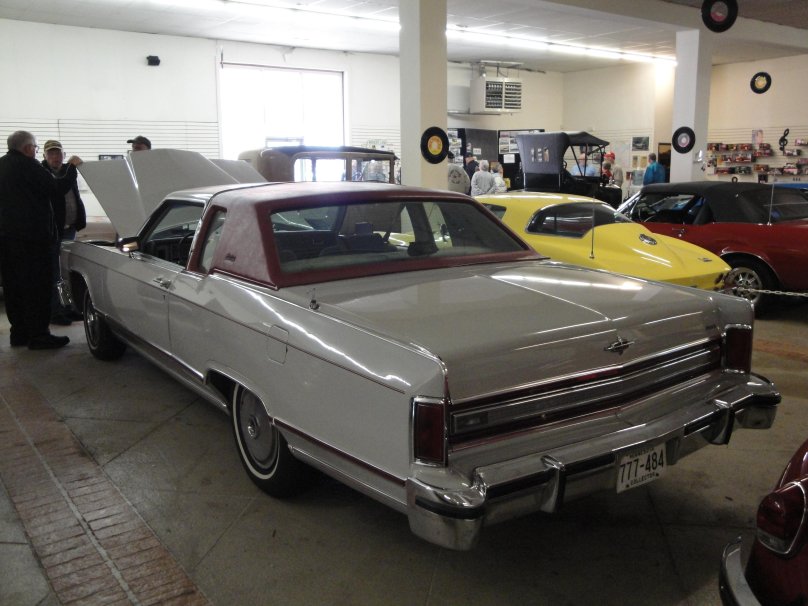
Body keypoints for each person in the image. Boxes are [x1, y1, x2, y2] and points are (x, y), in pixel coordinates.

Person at [0, 130, 81, 349]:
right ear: (28, 148)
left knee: (14, 288)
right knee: (37, 288)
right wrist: (72, 168)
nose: (35, 151)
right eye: (35, 148)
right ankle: (39, 335)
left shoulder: (2, 165)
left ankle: (19, 334)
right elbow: (56, 188)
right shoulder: (30, 166)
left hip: (7, 241)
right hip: (32, 241)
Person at [42, 140, 87, 324]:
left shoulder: (66, 171)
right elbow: (60, 188)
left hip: (70, 229)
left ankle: (68, 307)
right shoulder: (43, 173)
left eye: (58, 153)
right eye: (51, 153)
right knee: (55, 273)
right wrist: (72, 167)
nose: (55, 157)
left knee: (66, 272)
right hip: (54, 232)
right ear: (44, 156)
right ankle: (56, 311)